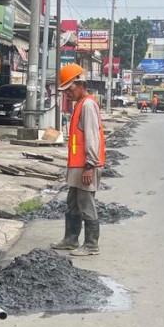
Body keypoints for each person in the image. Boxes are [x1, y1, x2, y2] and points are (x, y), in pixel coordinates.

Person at [52, 63, 106, 256]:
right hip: (77, 166)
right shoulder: (80, 105)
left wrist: (89, 166)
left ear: (81, 84)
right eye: (65, 89)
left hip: (86, 165)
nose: (67, 93)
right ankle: (71, 239)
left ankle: (91, 245)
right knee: (73, 203)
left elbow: (92, 137)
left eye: (70, 88)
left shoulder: (88, 105)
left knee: (86, 203)